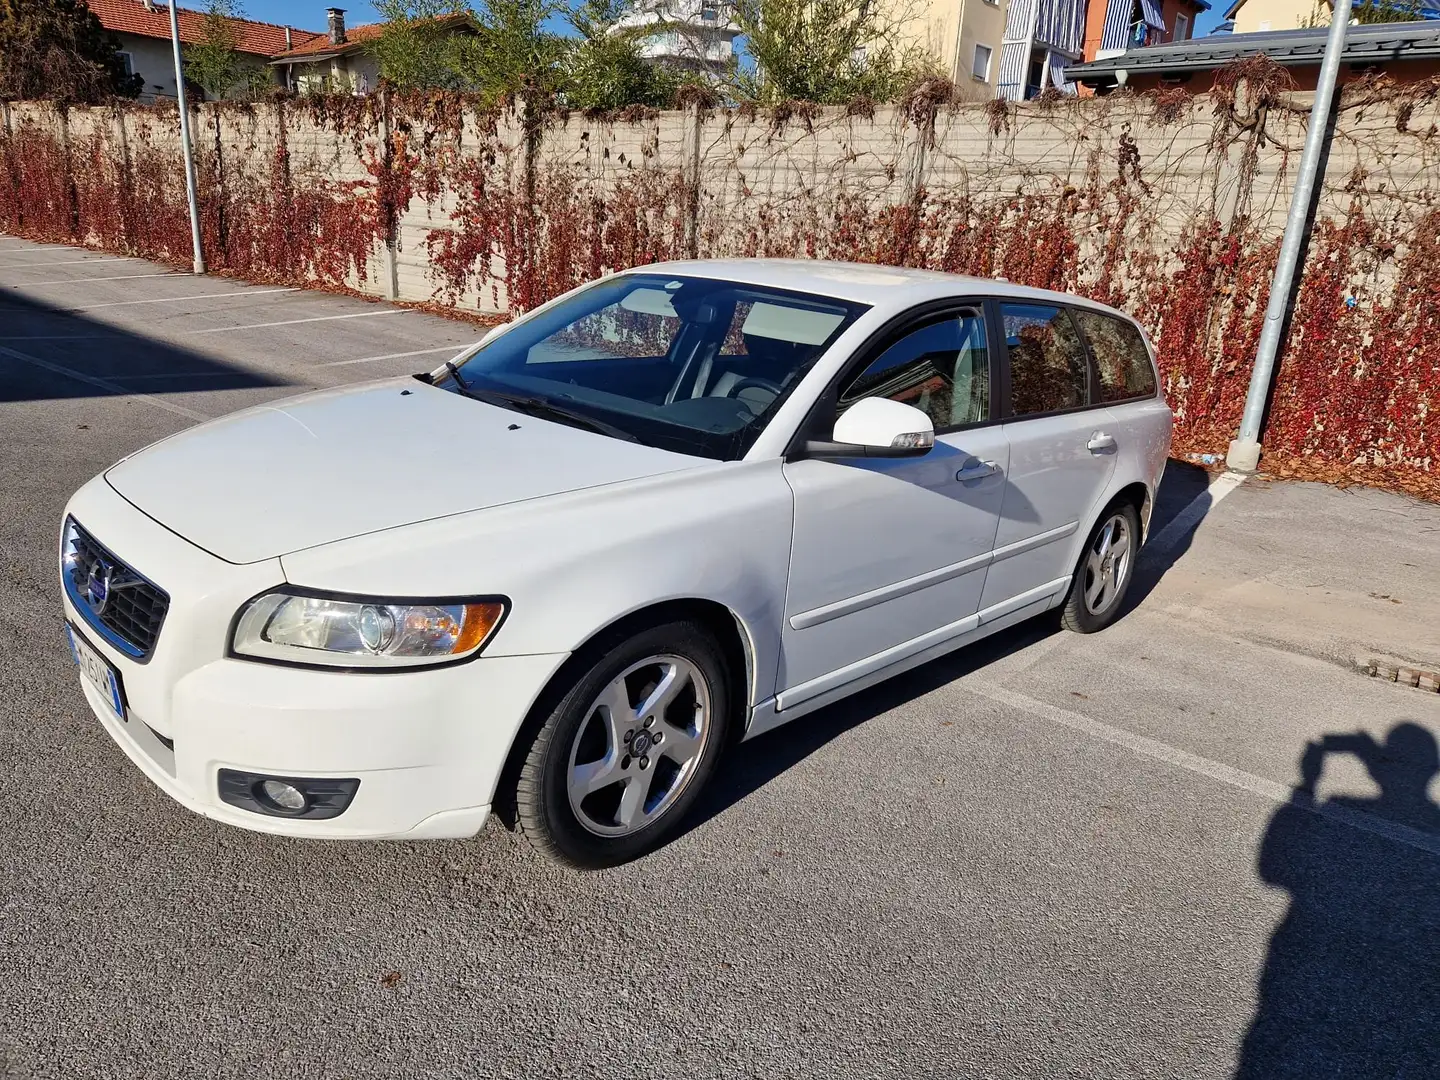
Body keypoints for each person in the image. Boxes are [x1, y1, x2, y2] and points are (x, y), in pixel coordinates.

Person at [1236, 723, 1440, 1078]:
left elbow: (1271, 871)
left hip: (1301, 970)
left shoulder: (1340, 804)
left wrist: (1308, 782)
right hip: (1409, 1008)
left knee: (1273, 1046)